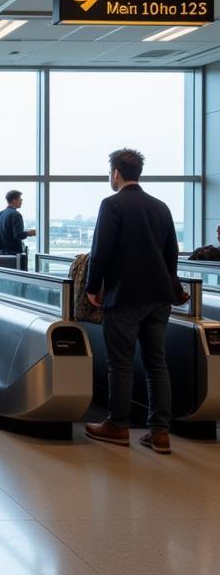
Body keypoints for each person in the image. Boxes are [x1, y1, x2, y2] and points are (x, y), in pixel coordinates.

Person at [84, 148, 180, 456]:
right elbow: (171, 255)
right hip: (159, 297)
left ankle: (118, 425)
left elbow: (101, 251)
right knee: (157, 363)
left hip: (125, 295)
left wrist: (93, 286)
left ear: (115, 173)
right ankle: (160, 432)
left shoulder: (112, 205)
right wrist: (174, 288)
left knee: (121, 364)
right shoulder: (160, 207)